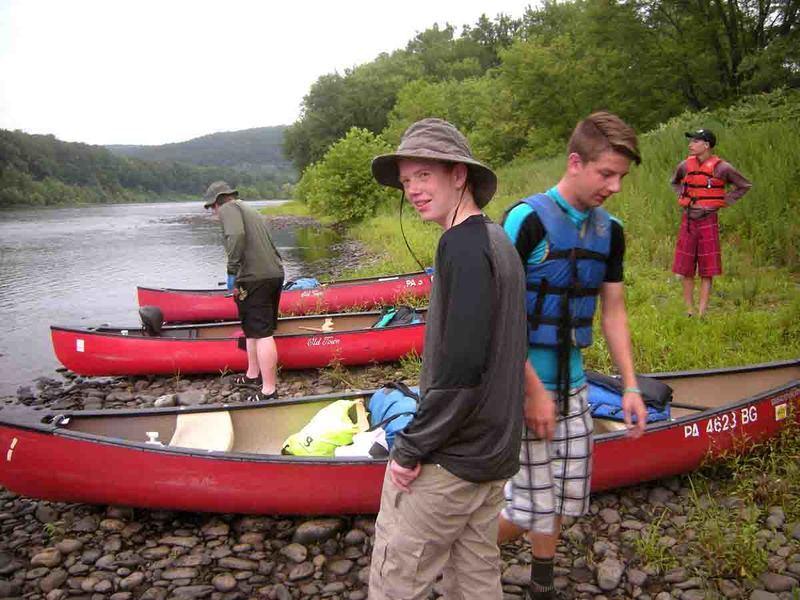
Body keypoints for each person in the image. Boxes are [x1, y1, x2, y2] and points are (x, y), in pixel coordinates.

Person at [367, 118, 529, 600]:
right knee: (475, 579)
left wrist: (412, 449)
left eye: (424, 175)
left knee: (398, 578)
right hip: (494, 455)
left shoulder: (461, 246)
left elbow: (462, 370)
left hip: (453, 460)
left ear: (459, 174)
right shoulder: (498, 240)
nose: (413, 190)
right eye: (406, 181)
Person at [499, 112, 649, 600]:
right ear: (575, 162)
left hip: (576, 386)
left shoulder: (612, 231)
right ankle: (457, 556)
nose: (615, 186)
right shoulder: (526, 219)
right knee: (525, 509)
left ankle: (542, 581)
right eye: (607, 173)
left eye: (621, 177)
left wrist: (629, 386)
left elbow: (614, 312)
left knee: (564, 496)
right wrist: (530, 391)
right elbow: (499, 318)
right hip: (522, 386)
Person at [202, 181, 284, 401]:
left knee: (263, 332)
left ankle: (269, 390)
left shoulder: (229, 209)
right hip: (272, 274)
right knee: (252, 328)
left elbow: (236, 236)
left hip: (255, 277)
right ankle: (252, 375)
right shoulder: (249, 209)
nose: (213, 213)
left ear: (218, 202)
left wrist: (232, 271)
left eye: (212, 208)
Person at [671, 129, 752, 317]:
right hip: (689, 220)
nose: (690, 144)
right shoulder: (684, 165)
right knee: (686, 267)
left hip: (709, 220)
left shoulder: (723, 168)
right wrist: (683, 195)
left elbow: (744, 185)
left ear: (706, 145)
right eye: (690, 141)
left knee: (707, 269)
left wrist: (723, 201)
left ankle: (701, 312)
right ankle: (689, 310)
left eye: (695, 141)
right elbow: (675, 182)